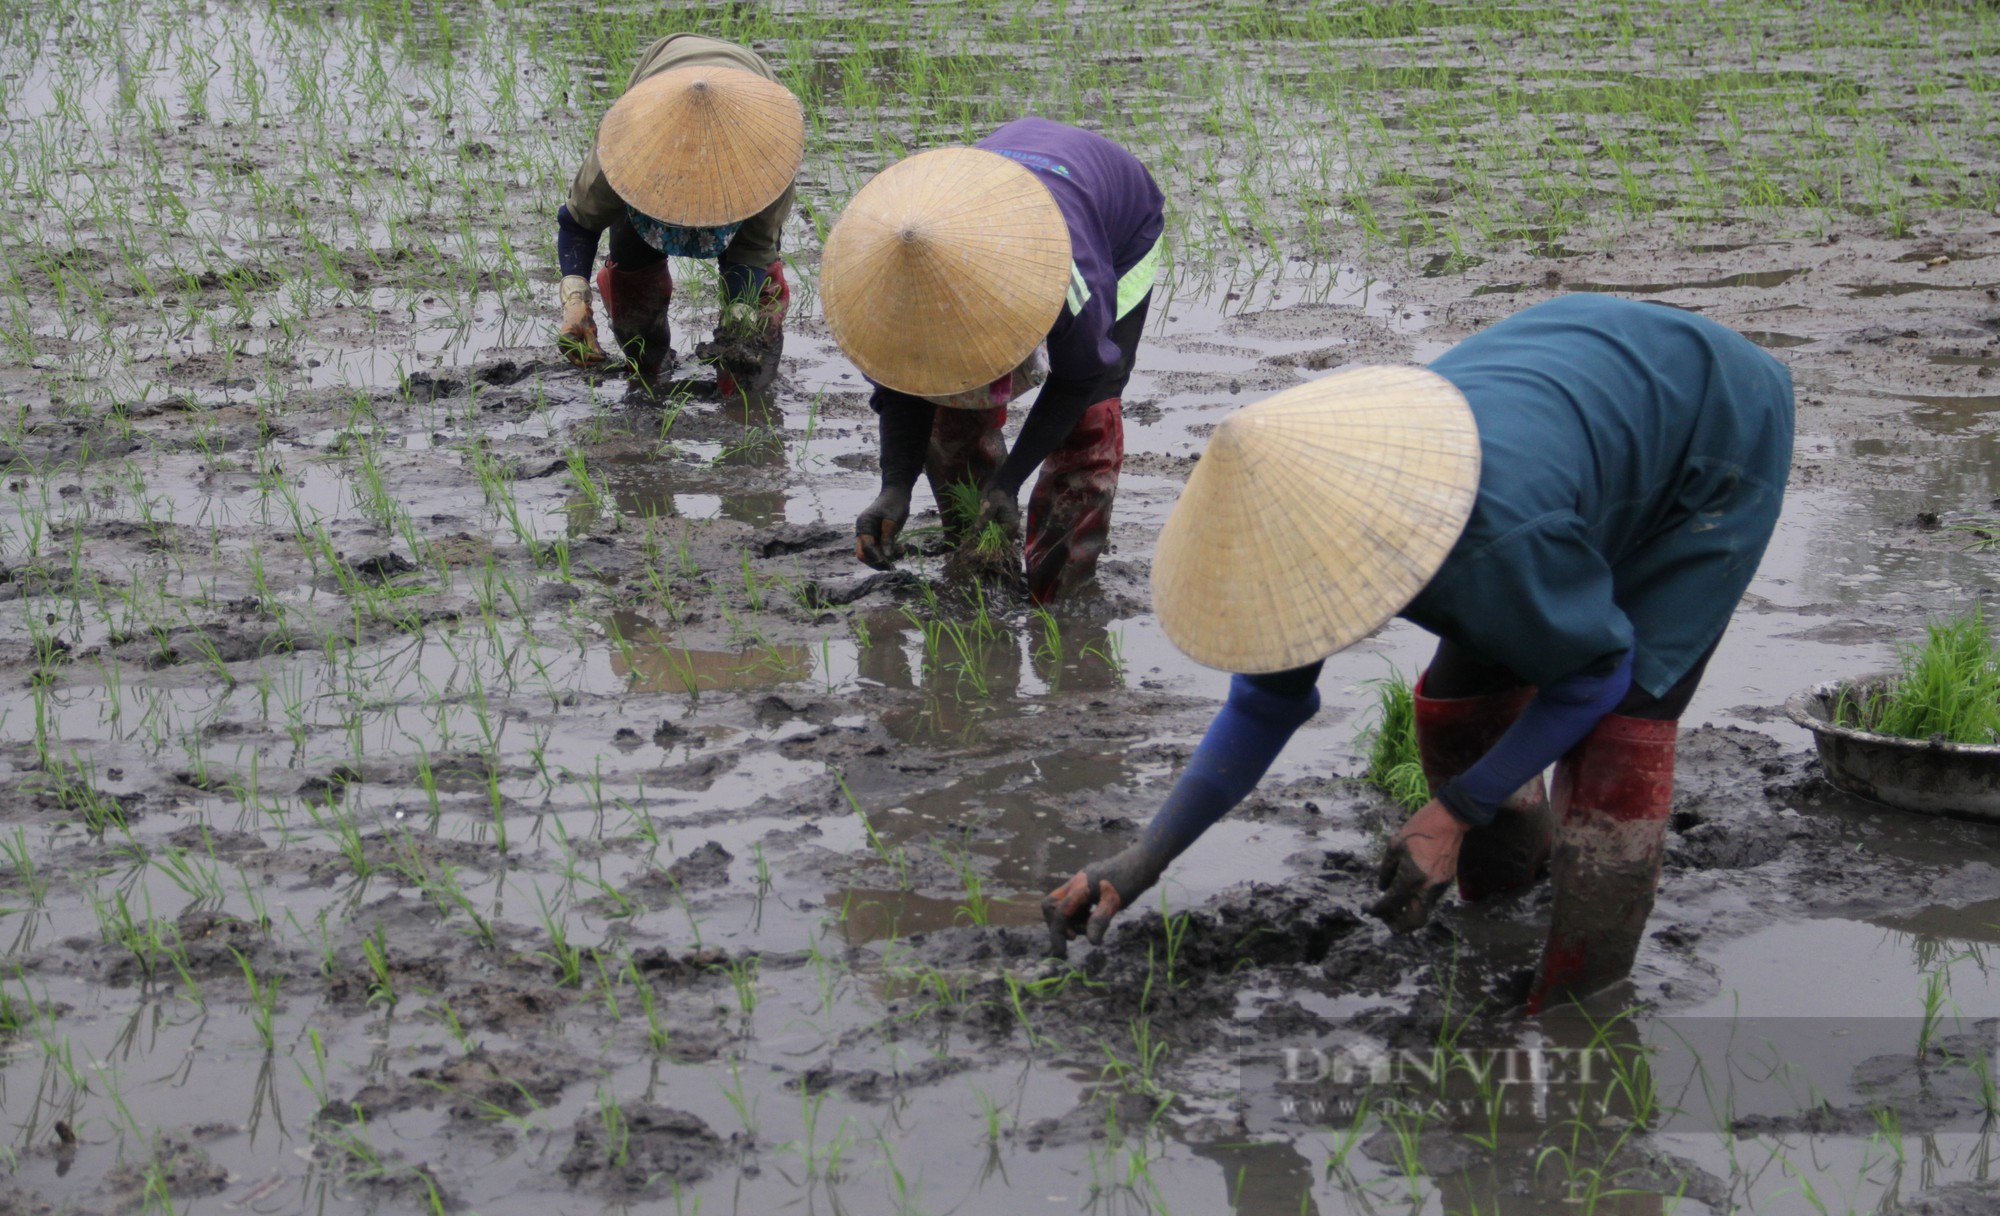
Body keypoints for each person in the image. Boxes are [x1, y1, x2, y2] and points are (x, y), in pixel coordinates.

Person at [1043, 294, 1795, 1012]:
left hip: (1712, 425)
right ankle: (1504, 911)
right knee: (1459, 714)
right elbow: (1266, 703)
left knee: (1619, 742)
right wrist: (1145, 858)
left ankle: (1580, 1007)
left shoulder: (1492, 540)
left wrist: (1455, 810)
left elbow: (1599, 672)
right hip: (1571, 406)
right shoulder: (1298, 532)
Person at [819, 119, 1165, 602]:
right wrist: (894, 487)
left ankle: (1062, 585)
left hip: (1117, 225)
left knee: (1089, 418)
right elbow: (903, 384)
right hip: (981, 201)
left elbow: (1079, 377)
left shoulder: (1070, 272)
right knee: (950, 407)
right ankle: (980, 565)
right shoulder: (884, 288)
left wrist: (1009, 482)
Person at [554, 34, 803, 394]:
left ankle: (743, 391)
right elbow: (578, 223)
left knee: (752, 322)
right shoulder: (623, 154)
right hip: (660, 89)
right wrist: (575, 300)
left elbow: (753, 252)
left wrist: (739, 323)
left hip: (748, 108)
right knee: (632, 274)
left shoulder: (765, 163)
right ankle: (648, 365)